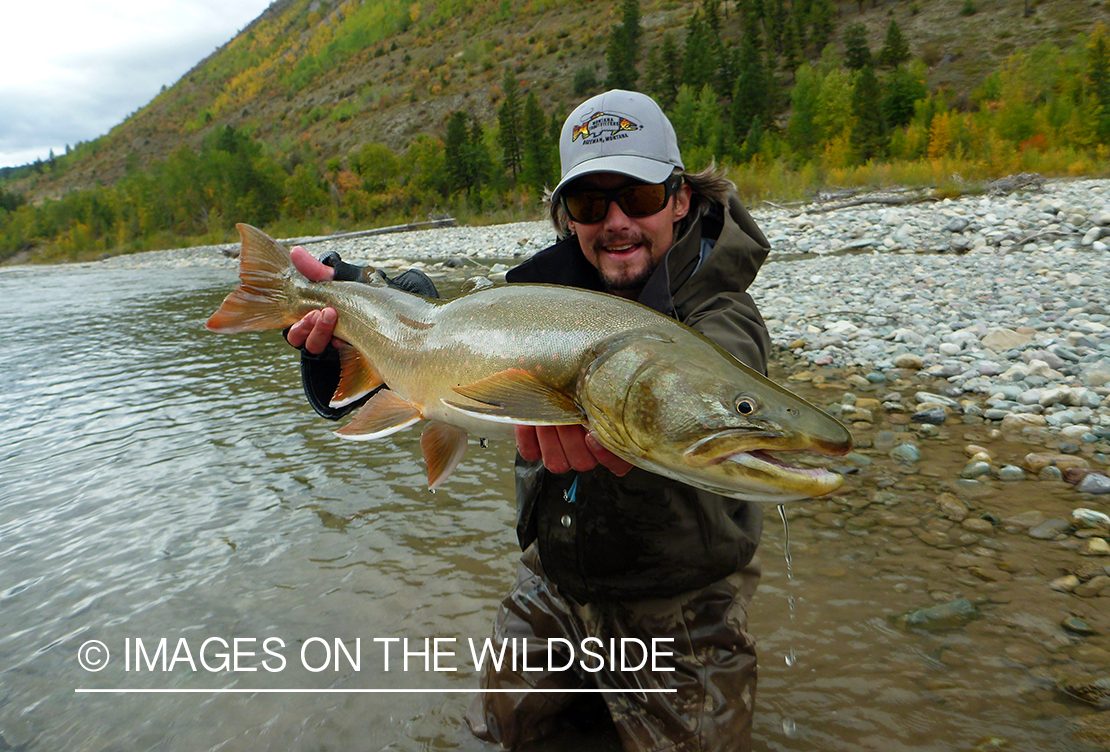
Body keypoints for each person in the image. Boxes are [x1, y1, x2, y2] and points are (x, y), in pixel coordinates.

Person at [286, 90, 773, 751]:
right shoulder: (536, 299)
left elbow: (727, 388)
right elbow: (437, 368)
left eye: (639, 196)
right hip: (551, 582)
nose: (617, 221)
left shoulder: (722, 318)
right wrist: (358, 341)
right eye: (589, 204)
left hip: (681, 608)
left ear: (681, 197)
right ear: (565, 216)